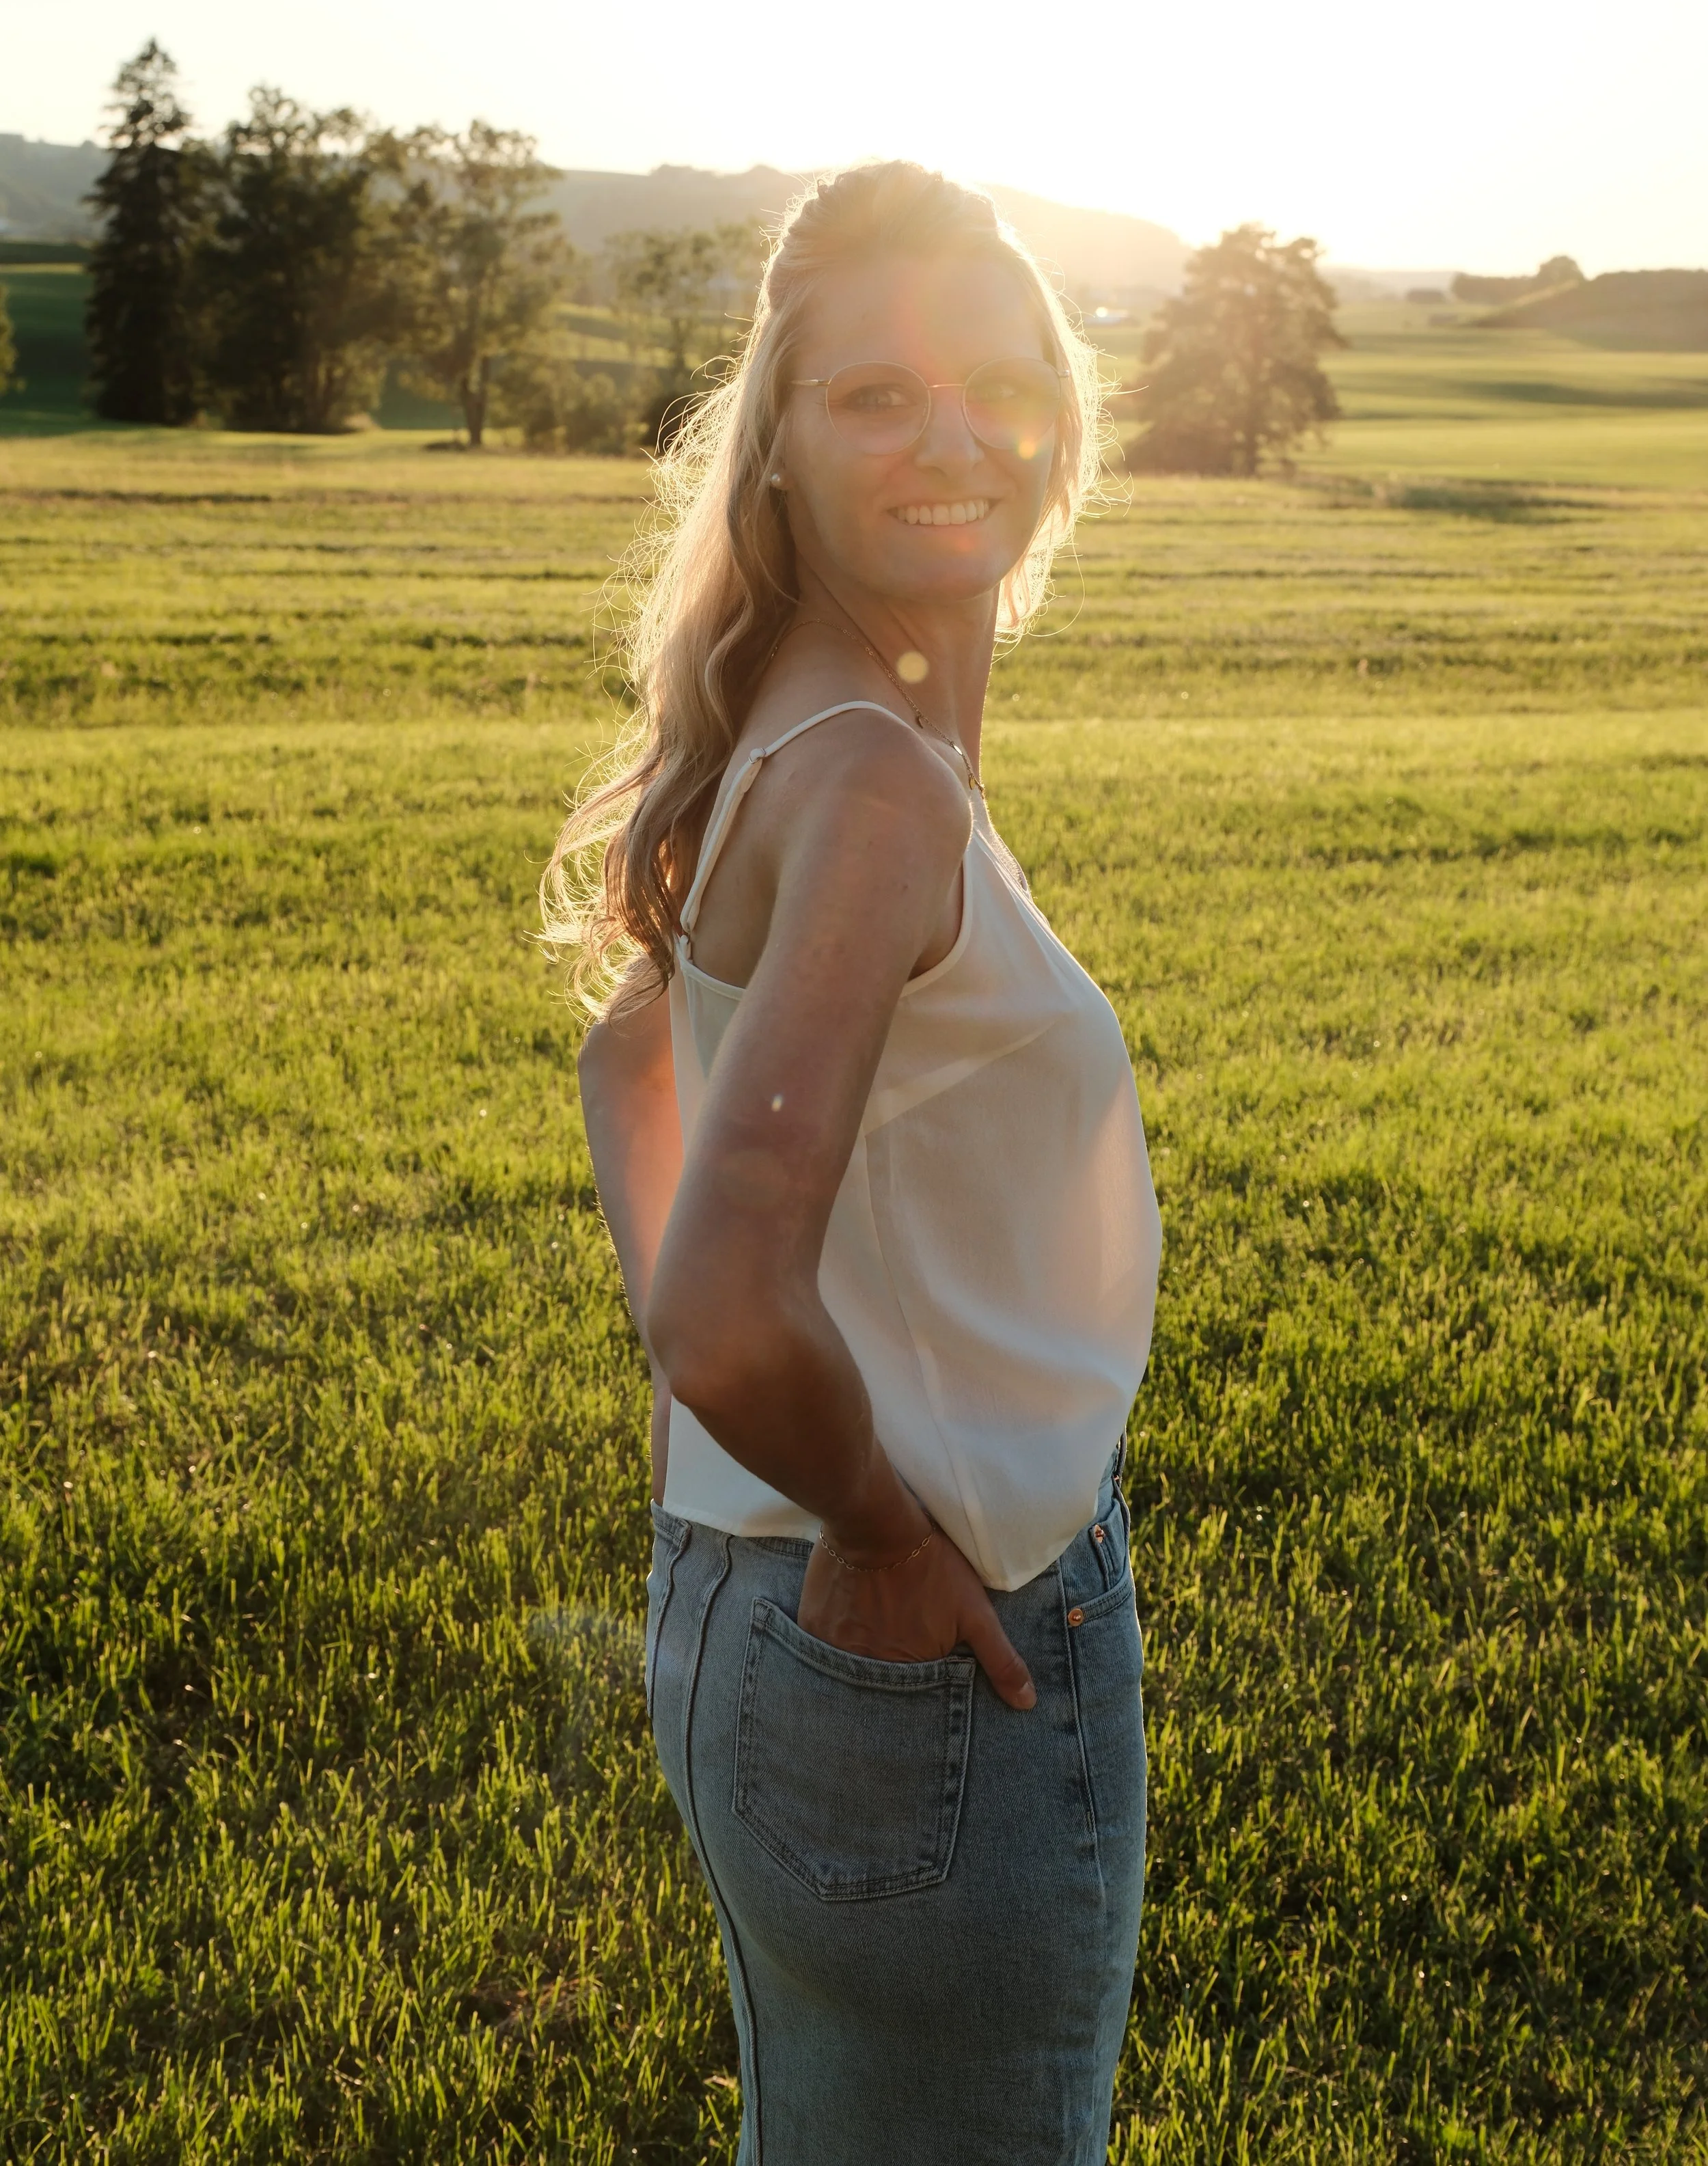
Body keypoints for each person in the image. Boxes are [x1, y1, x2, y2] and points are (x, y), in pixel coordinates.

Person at [547, 162, 1162, 2165]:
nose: (952, 433)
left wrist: (701, 1452)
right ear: (779, 454)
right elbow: (729, 1299)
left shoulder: (800, 739)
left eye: (995, 379)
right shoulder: (874, 782)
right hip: (917, 1624)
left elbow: (629, 1052)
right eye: (874, 395)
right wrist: (881, 1522)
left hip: (751, 1606)